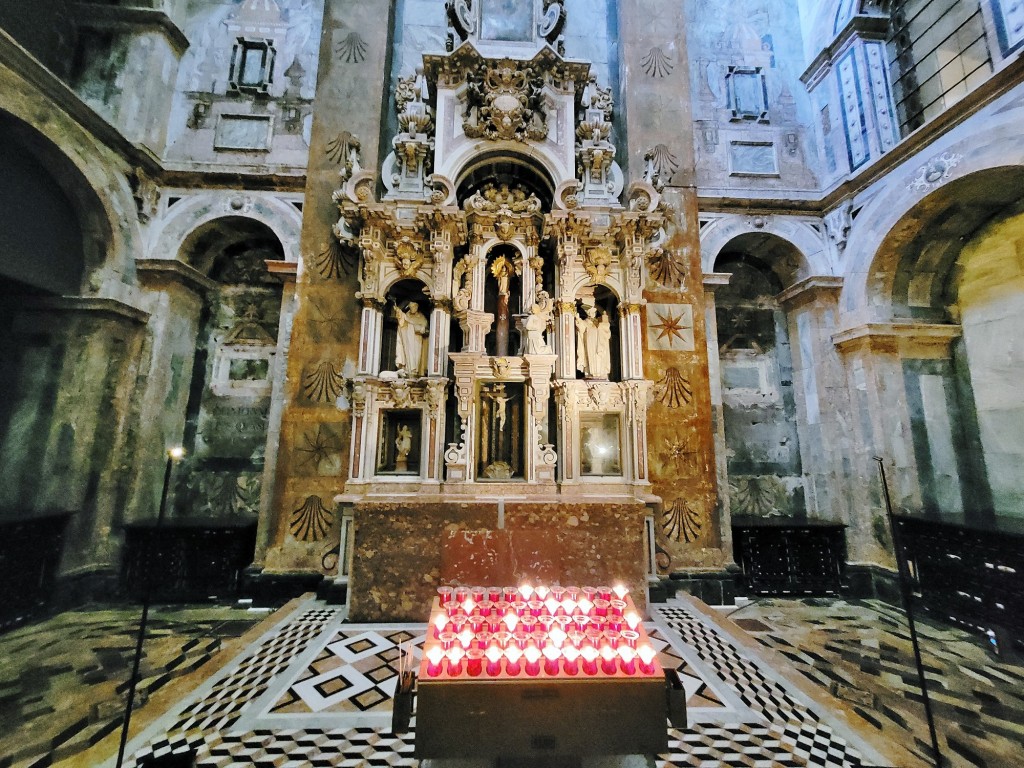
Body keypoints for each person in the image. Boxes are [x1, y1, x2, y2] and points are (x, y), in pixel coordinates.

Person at [575, 304, 612, 379]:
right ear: (588, 313)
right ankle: (590, 373)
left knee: (600, 357)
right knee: (591, 357)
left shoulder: (598, 322)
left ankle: (601, 373)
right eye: (591, 312)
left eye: (594, 312)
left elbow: (607, 334)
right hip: (590, 343)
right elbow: (581, 328)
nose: (593, 314)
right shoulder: (585, 322)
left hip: (600, 343)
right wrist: (578, 319)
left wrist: (604, 326)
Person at [394, 301, 428, 376]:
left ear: (417, 307)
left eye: (415, 307)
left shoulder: (421, 317)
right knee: (407, 354)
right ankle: (408, 370)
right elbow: (401, 324)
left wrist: (419, 328)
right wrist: (399, 314)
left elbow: (424, 328)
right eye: (411, 307)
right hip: (407, 340)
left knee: (416, 357)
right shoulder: (406, 316)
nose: (413, 308)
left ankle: (416, 371)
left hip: (417, 340)